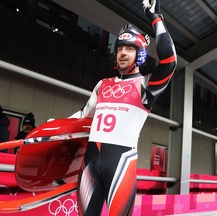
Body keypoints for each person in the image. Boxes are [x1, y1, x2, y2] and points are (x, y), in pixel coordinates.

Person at [70, 0, 177, 215]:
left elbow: (170, 61)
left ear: (140, 54)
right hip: (90, 163)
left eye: (130, 48)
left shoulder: (146, 85)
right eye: (120, 48)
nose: (123, 53)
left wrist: (155, 17)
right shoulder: (102, 84)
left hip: (121, 164)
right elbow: (81, 117)